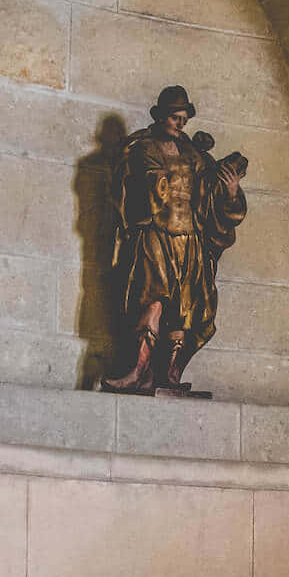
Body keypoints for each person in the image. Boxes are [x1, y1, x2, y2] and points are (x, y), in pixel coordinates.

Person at [99, 84, 249, 395]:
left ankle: (169, 374)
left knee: (186, 307)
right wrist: (169, 181)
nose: (180, 124)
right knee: (152, 300)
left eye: (184, 118)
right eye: (174, 118)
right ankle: (138, 371)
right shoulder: (143, 147)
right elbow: (133, 187)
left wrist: (229, 189)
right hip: (155, 234)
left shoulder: (194, 154)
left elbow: (210, 197)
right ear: (160, 116)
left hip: (190, 238)